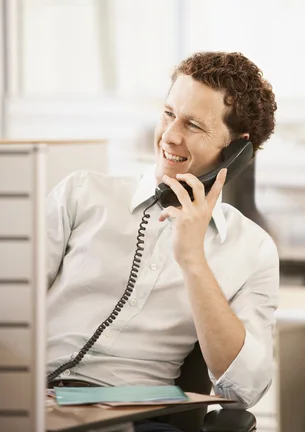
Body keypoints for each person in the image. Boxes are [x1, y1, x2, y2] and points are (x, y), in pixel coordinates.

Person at [46, 51, 279, 430]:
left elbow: (245, 390)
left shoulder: (251, 248)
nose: (170, 136)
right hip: (31, 400)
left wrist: (193, 260)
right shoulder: (81, 194)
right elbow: (11, 308)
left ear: (236, 151)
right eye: (169, 114)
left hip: (133, 417)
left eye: (193, 125)